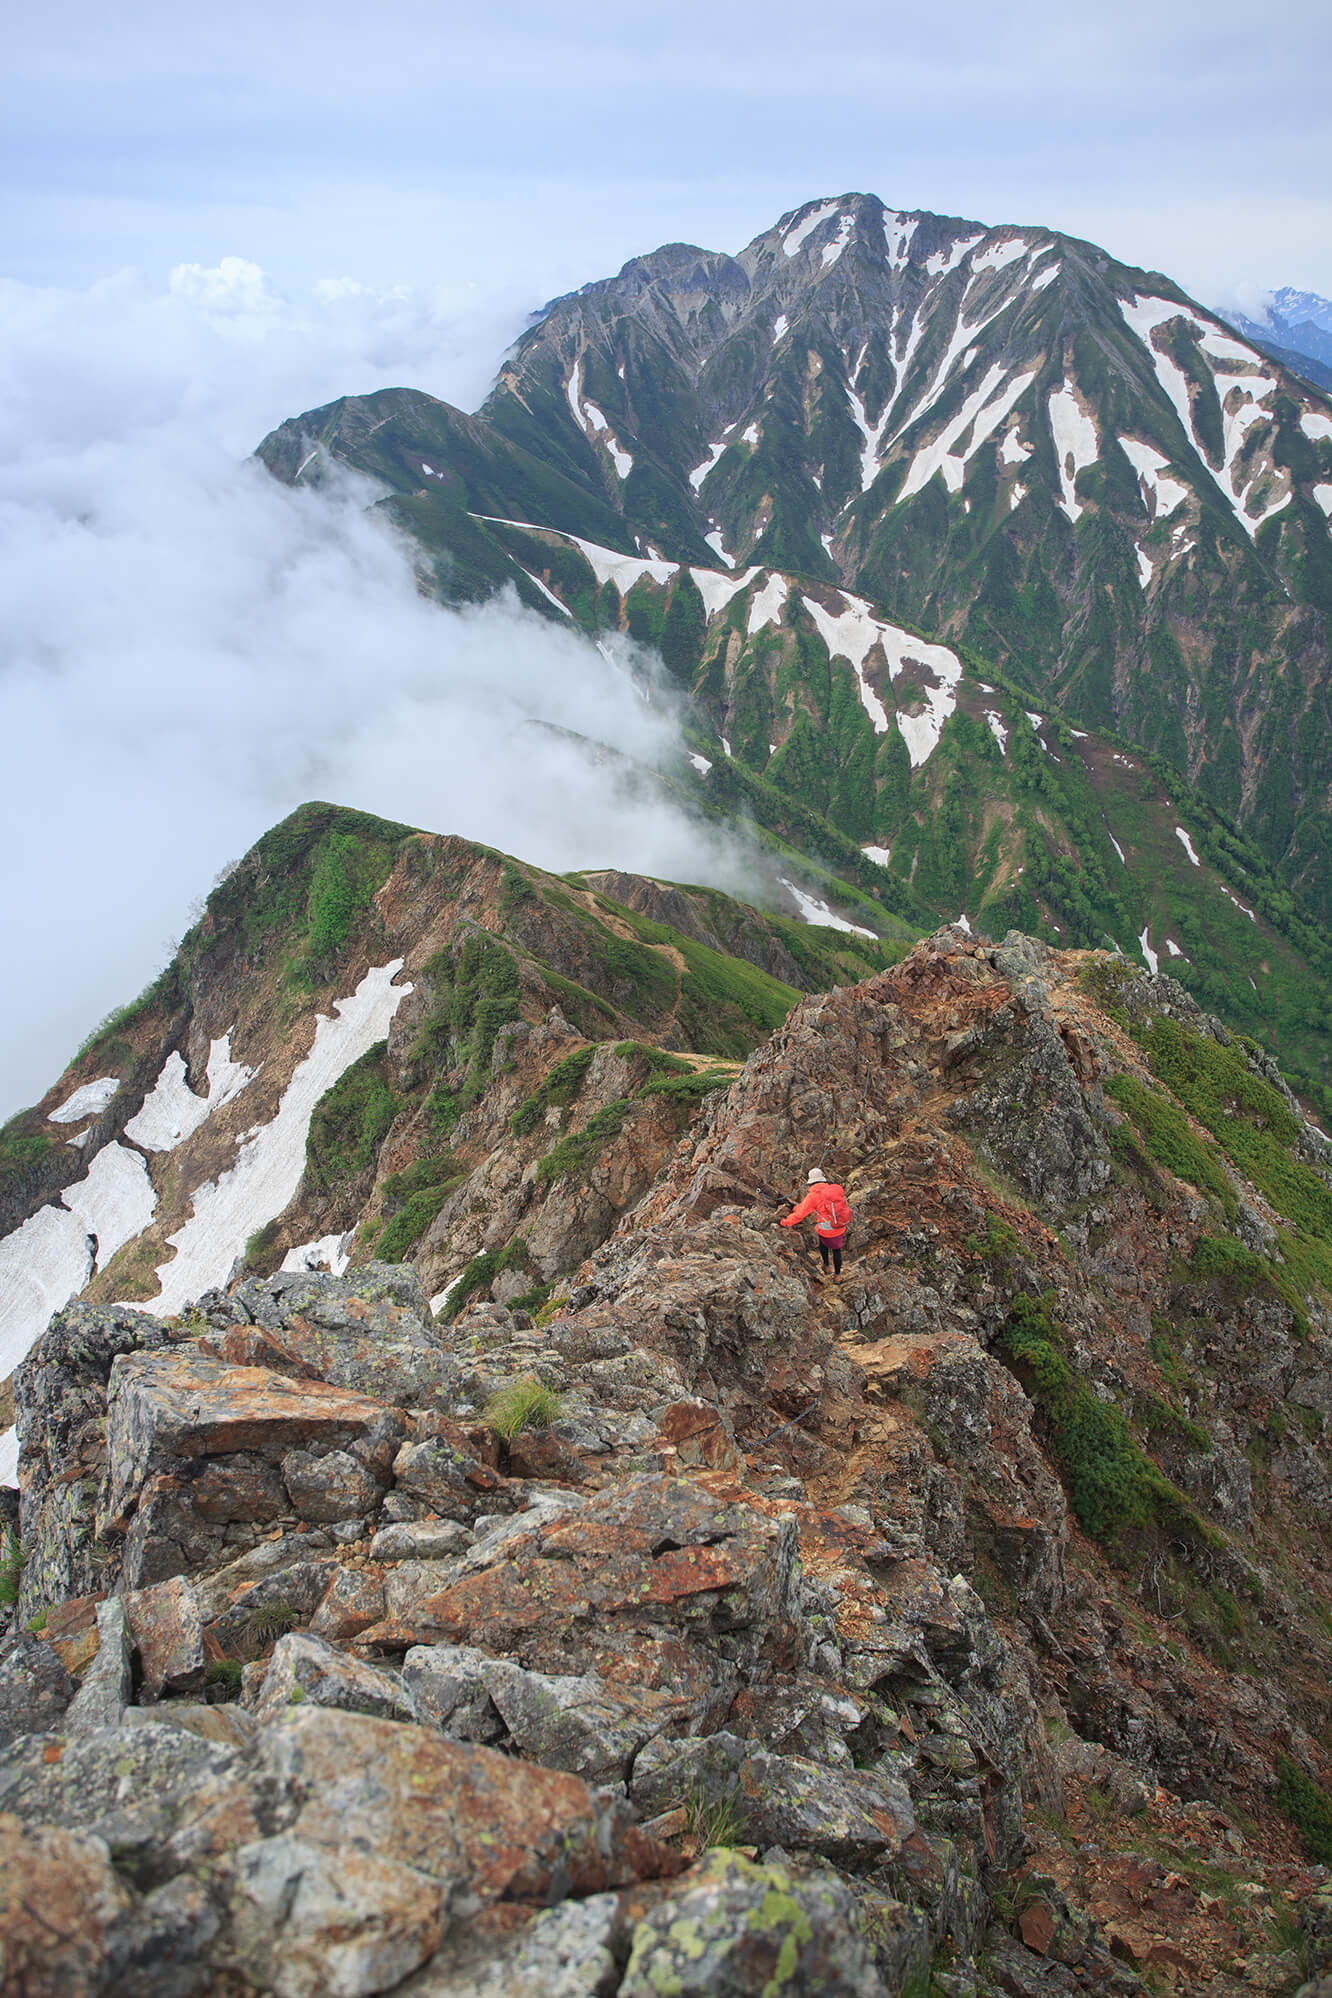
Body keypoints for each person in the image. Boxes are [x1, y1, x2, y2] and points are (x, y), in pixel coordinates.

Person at [780, 1166, 851, 1277]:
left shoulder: (813, 1196)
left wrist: (785, 1222)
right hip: (839, 1225)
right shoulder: (832, 1190)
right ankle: (838, 1275)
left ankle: (826, 1265)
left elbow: (800, 1214)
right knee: (837, 1250)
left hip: (826, 1229)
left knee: (823, 1243)